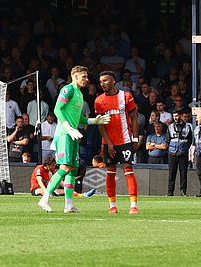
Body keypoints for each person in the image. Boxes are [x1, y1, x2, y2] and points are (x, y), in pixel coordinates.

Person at [39, 66, 109, 214]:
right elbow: (58, 109)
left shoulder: (79, 94)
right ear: (75, 77)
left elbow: (79, 118)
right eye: (83, 76)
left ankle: (69, 205)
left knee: (72, 170)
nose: (87, 79)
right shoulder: (68, 89)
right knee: (65, 168)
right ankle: (44, 199)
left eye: (87, 76)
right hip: (65, 134)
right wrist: (67, 127)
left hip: (73, 134)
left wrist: (93, 121)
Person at [94, 70, 140, 214]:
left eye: (105, 81)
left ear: (114, 81)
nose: (103, 84)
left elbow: (133, 118)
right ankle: (112, 206)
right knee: (110, 173)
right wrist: (108, 142)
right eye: (101, 81)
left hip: (125, 140)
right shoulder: (99, 101)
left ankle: (133, 205)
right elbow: (100, 125)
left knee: (128, 170)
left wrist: (135, 138)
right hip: (109, 143)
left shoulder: (126, 96)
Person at [167, 108, 193, 197]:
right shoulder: (170, 127)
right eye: (174, 116)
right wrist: (169, 150)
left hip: (183, 152)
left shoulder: (188, 126)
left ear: (181, 116)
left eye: (177, 116)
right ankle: (170, 192)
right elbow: (168, 139)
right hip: (172, 153)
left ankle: (183, 191)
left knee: (183, 173)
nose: (175, 118)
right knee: (171, 174)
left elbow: (190, 140)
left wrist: (185, 148)